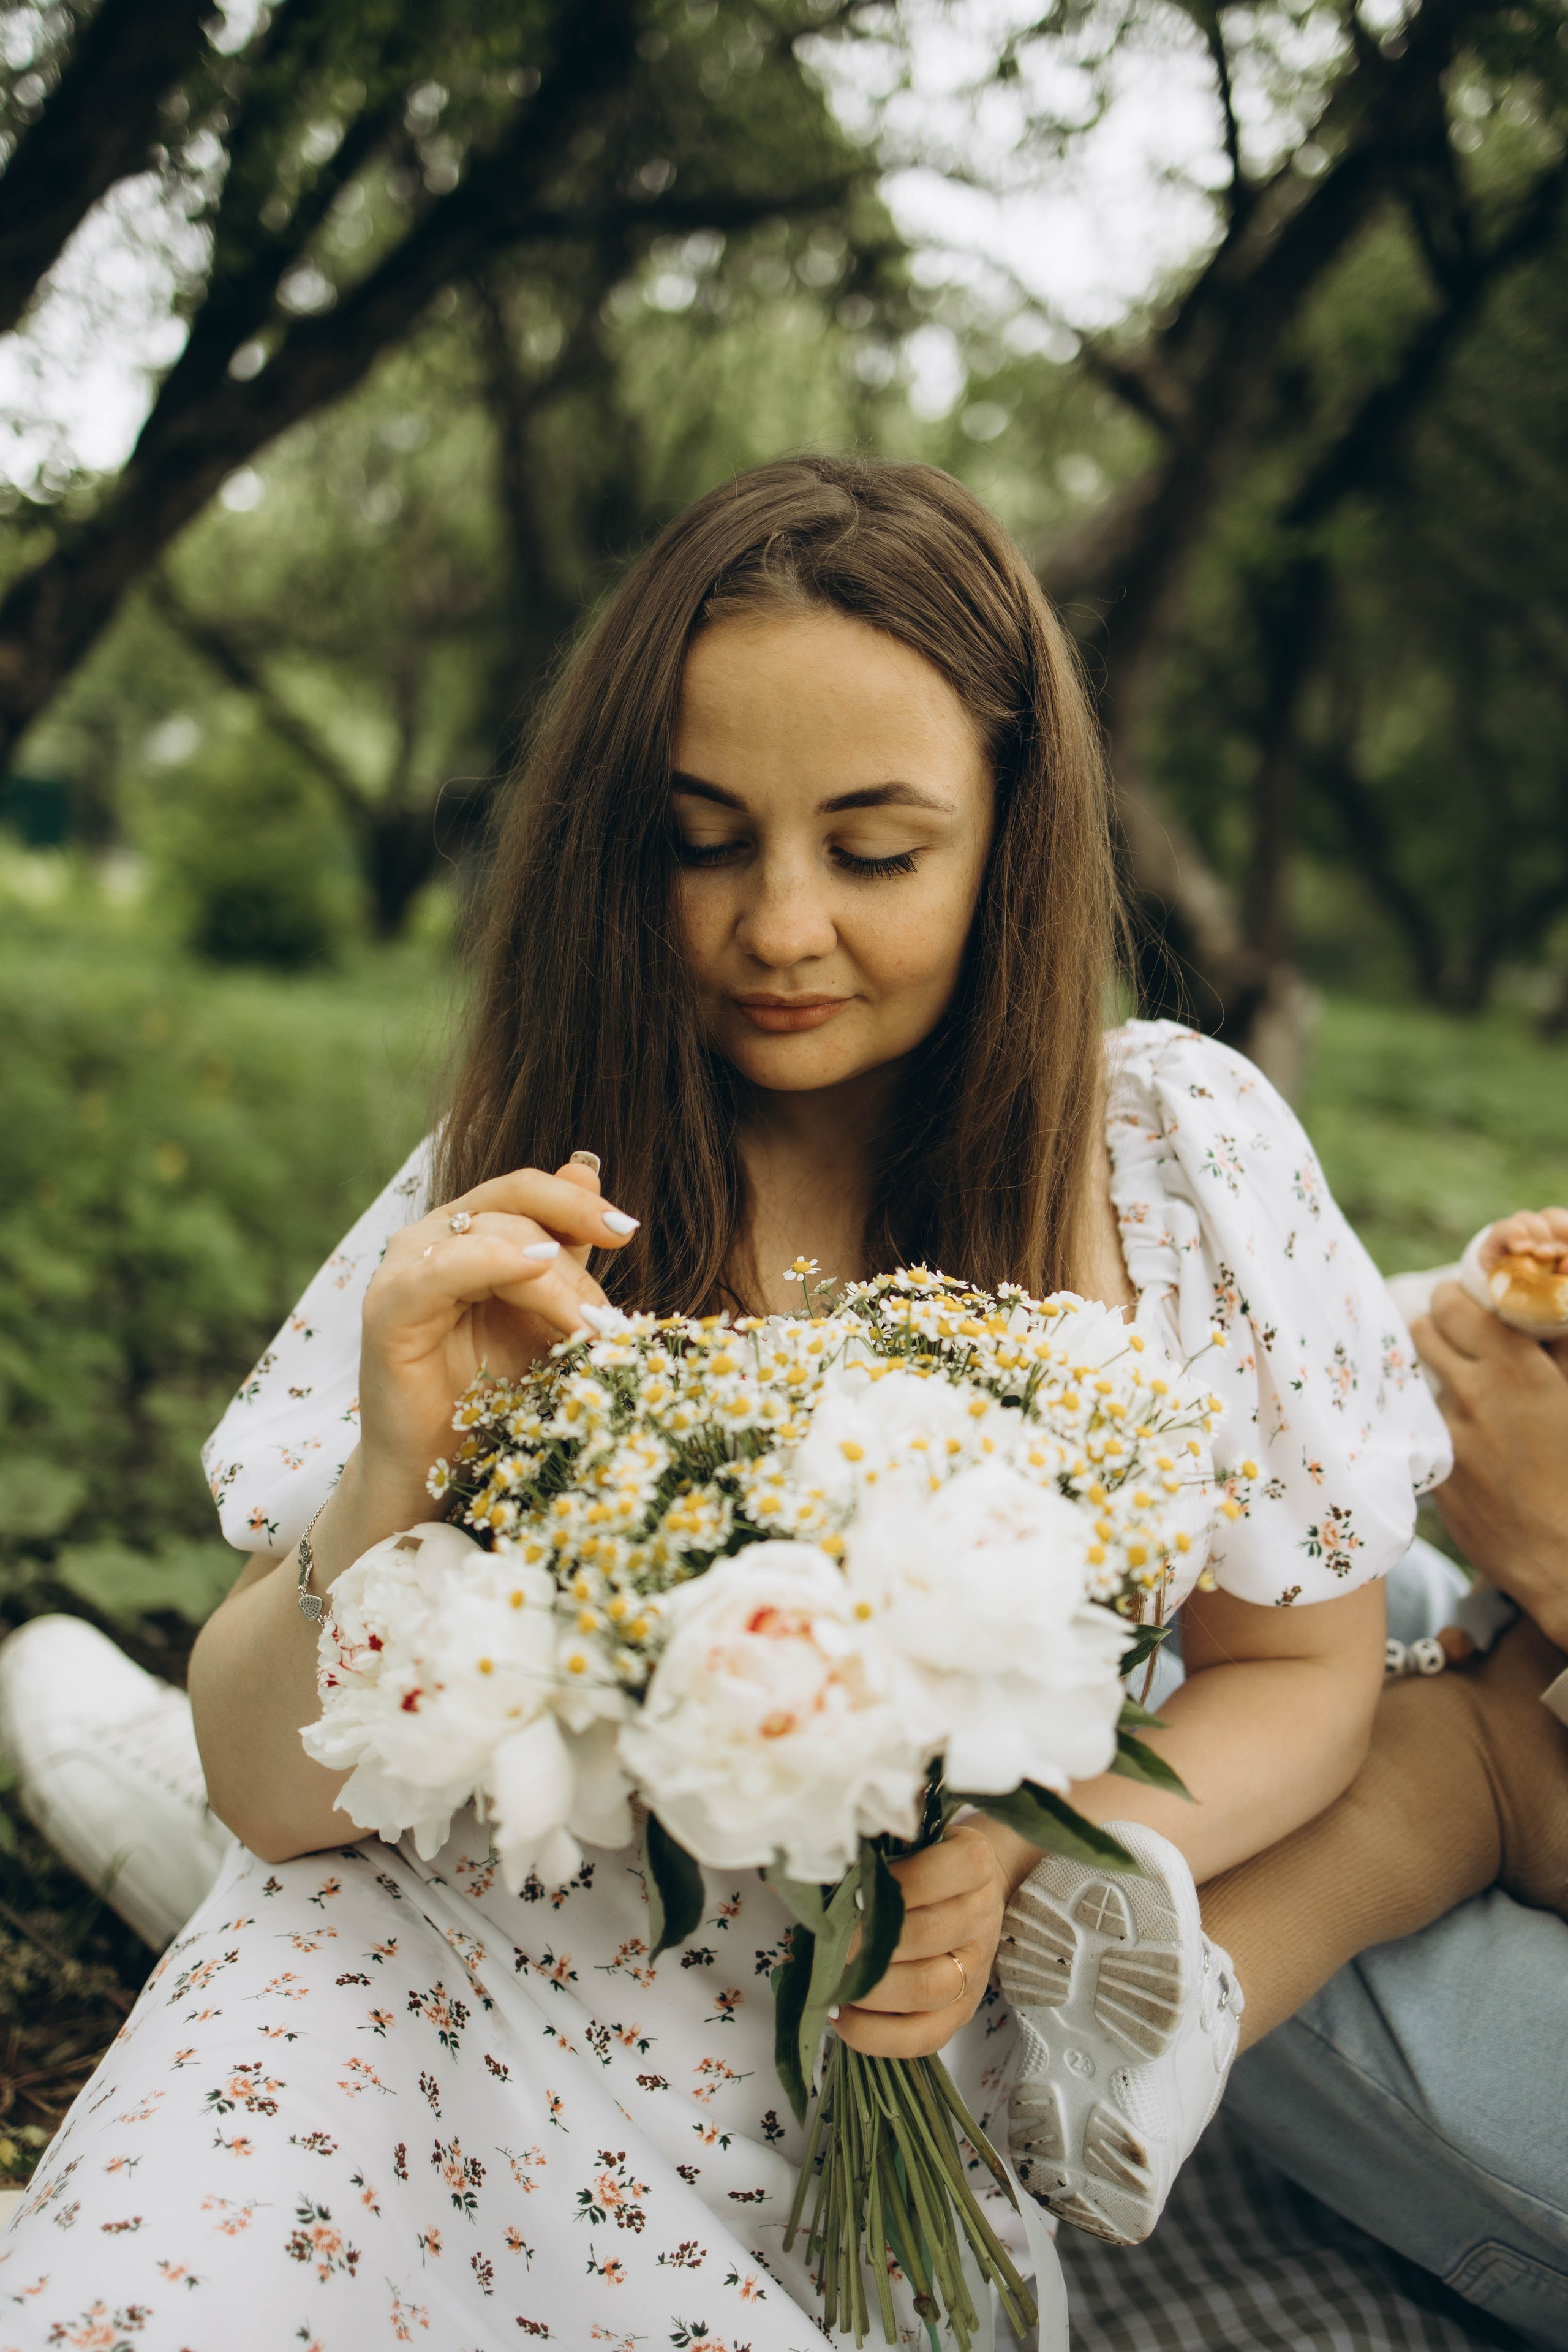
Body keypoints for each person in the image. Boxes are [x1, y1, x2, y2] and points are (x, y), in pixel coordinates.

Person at [0, 458, 1445, 2348]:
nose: (777, 929)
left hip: (855, 2099)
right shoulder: (523, 1184)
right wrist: (393, 1479)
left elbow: (1308, 1670)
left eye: (872, 850)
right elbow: (274, 1789)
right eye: (701, 840)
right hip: (395, 1988)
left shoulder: (1171, 1164)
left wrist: (1032, 1838)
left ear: (1013, 834)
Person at [1182, 1236, 1568, 2350]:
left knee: (1344, 1828)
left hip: (1517, 1763)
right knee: (1257, 1560)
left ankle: (1154, 2026)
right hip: (1503, 1698)